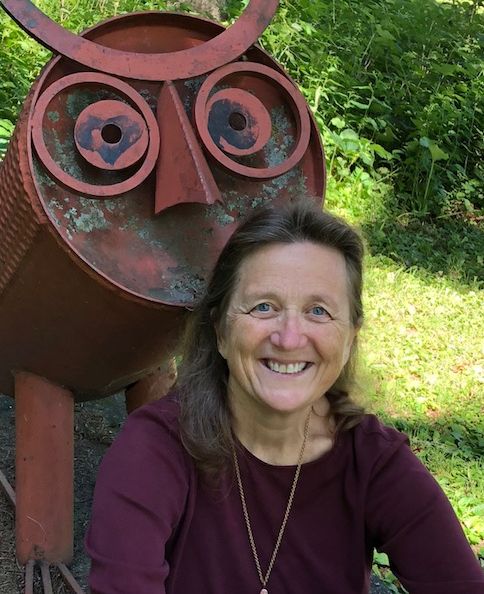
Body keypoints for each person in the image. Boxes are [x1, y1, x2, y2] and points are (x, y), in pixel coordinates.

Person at [86, 200, 483, 594]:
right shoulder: (154, 449)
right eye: (264, 307)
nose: (289, 338)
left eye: (319, 311)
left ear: (350, 338)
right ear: (221, 331)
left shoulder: (374, 462)